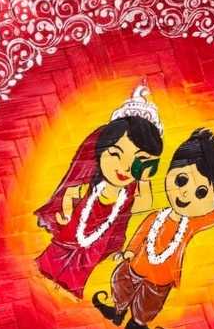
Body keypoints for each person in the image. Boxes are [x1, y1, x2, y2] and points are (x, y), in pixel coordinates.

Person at [93, 129, 214, 329]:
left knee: (148, 304)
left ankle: (137, 324)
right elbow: (141, 234)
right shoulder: (156, 216)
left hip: (160, 279)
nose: (185, 193)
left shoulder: (191, 225)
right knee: (121, 284)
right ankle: (117, 311)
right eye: (181, 180)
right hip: (135, 266)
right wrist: (130, 251)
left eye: (201, 192)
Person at [35, 84, 163, 299]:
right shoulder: (89, 185)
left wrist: (144, 178)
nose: (124, 167)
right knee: (53, 259)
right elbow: (71, 194)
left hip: (97, 244)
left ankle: (68, 289)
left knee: (81, 270)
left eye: (137, 161)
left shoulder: (127, 196)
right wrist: (65, 211)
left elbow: (144, 204)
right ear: (100, 151)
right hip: (72, 233)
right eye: (115, 154)